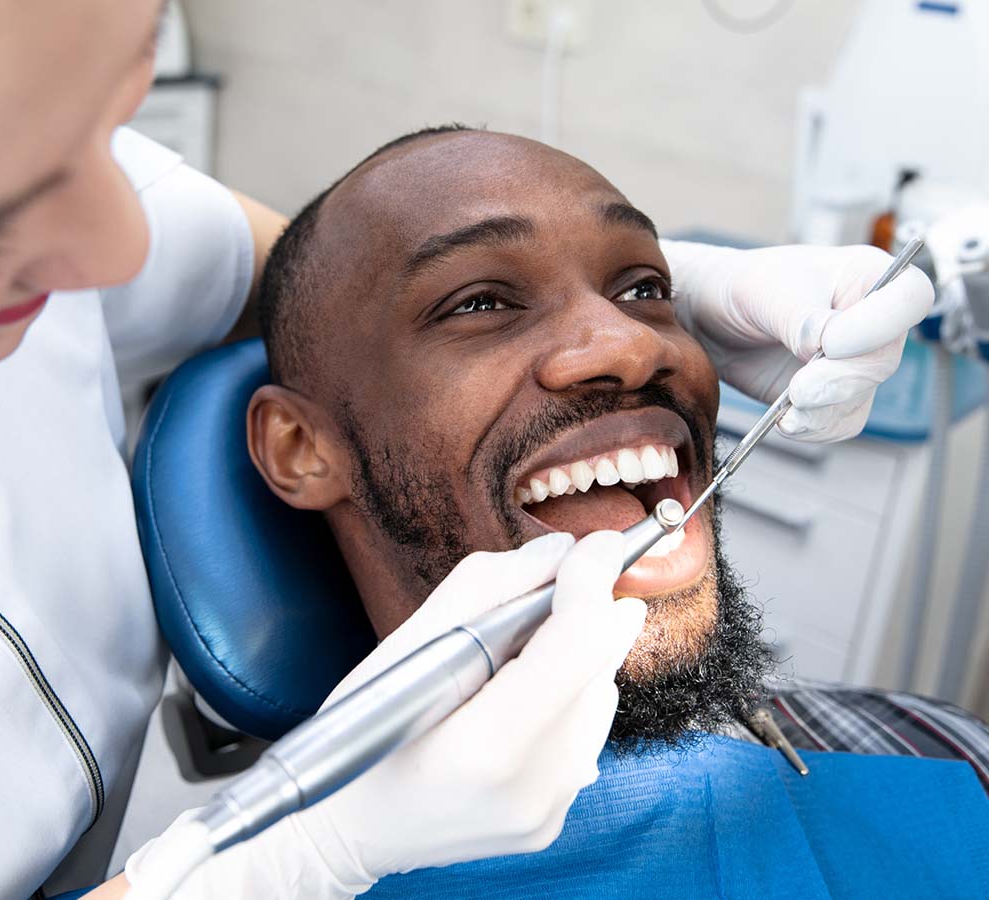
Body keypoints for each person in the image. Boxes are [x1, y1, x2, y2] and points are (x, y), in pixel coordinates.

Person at [0, 1, 935, 897]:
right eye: (0, 184)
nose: (118, 245)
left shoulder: (933, 776)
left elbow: (326, 288)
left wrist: (673, 284)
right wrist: (282, 864)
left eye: (109, 119)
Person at [238, 125, 989, 895]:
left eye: (643, 289)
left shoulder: (939, 751)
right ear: (302, 448)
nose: (633, 348)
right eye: (480, 302)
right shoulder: (285, 866)